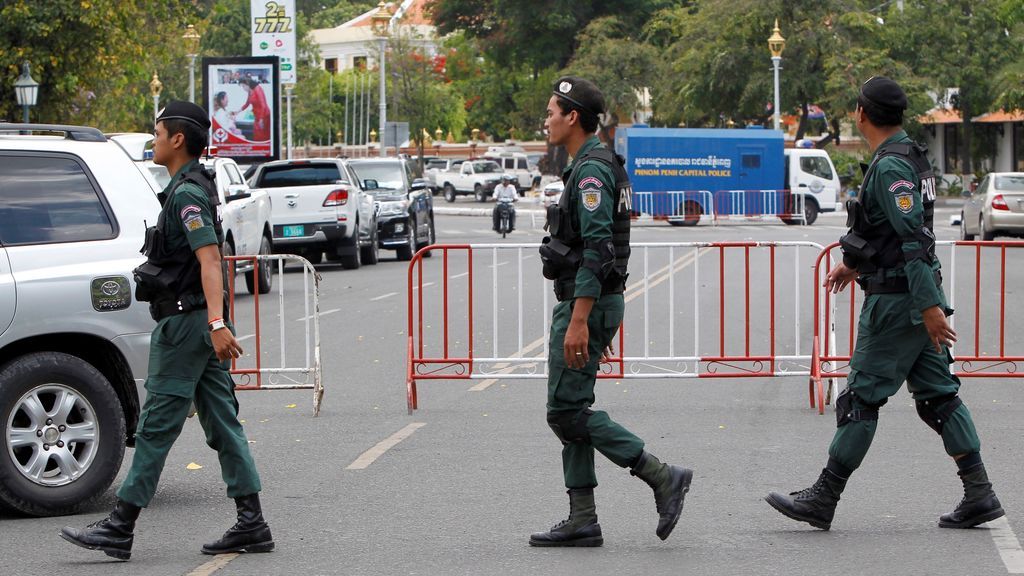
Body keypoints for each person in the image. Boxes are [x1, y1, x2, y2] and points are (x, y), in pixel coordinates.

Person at [765, 77, 1004, 531]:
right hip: (914, 297)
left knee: (860, 399)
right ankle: (980, 492)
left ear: (861, 113)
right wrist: (854, 265)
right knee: (938, 398)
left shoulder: (892, 165)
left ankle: (824, 496)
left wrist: (929, 306)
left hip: (899, 303)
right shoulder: (908, 154)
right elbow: (889, 231)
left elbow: (913, 237)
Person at [60, 101, 274, 560]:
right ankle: (252, 522)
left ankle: (120, 526)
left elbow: (211, 259)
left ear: (178, 139)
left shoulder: (187, 195)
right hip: (197, 323)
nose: (153, 140)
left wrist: (216, 323)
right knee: (222, 422)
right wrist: (213, 323)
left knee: (157, 425)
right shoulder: (188, 187)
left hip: (187, 326)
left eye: (157, 133)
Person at [531, 76, 692, 548]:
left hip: (588, 301)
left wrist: (581, 319)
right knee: (572, 408)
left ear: (572, 116)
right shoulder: (593, 163)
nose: (546, 120)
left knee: (564, 410)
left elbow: (599, 250)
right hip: (593, 301)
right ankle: (582, 517)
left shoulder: (593, 171)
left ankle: (661, 475)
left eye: (551, 111)